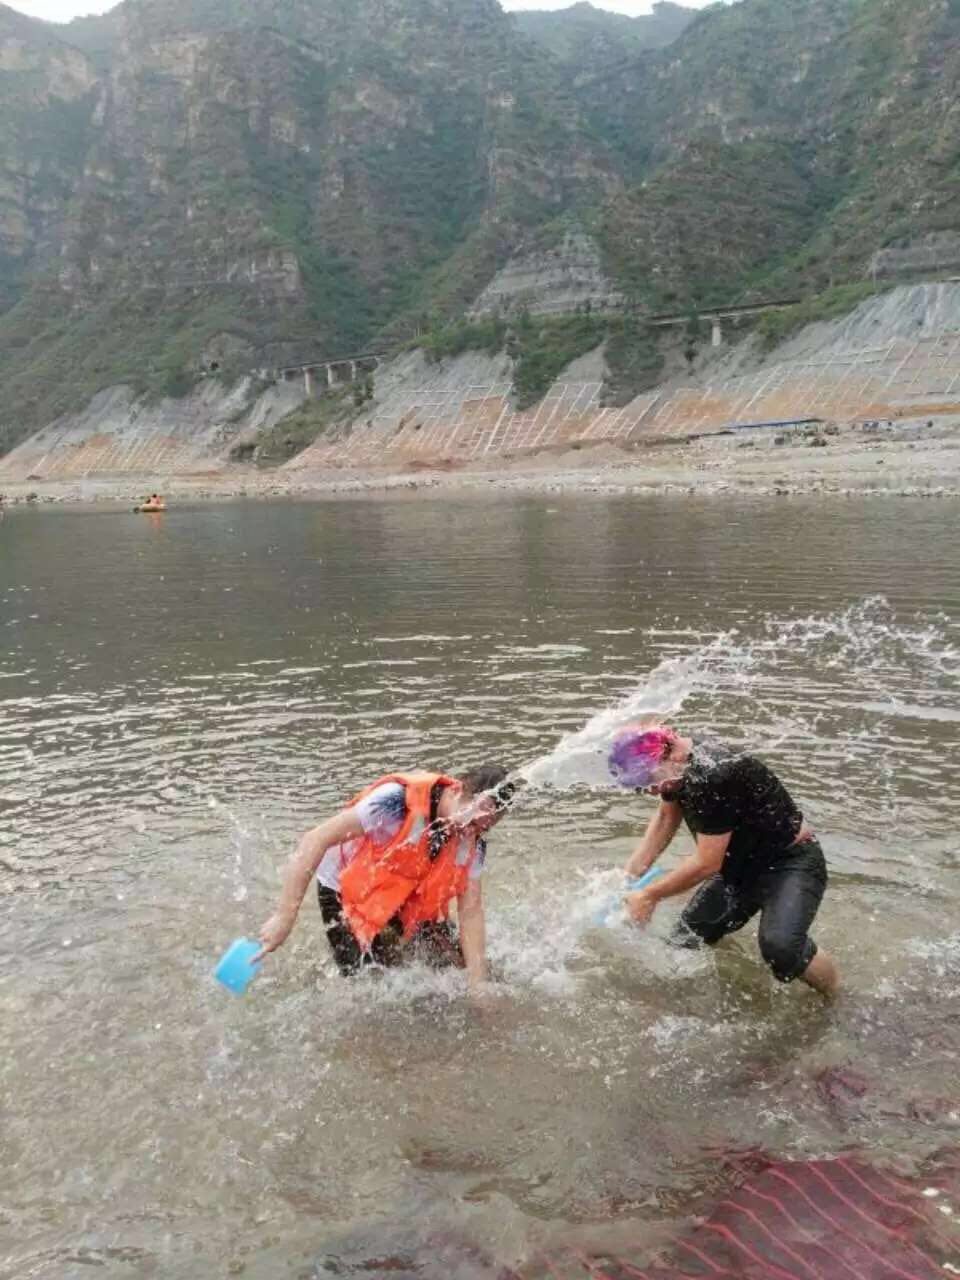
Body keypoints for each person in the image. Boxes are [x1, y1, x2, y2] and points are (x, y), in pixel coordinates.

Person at [608, 724, 839, 997]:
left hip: (790, 863)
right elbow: (666, 818)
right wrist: (630, 875)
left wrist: (649, 895)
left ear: (664, 755)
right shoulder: (678, 766)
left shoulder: (713, 775)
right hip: (737, 872)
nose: (650, 790)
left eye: (646, 781)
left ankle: (837, 997)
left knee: (780, 948)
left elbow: (707, 863)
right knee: (685, 941)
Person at [256, 765, 516, 989]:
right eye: (472, 821)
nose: (469, 833)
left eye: (484, 828)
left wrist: (477, 984)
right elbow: (316, 839)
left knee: (460, 969)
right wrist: (285, 916)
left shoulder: (472, 840)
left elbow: (470, 910)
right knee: (369, 983)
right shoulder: (394, 802)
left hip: (402, 891)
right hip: (346, 889)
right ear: (458, 790)